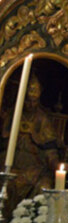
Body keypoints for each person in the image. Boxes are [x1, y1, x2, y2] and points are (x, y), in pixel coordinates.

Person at [0, 75, 62, 205]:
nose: (31, 105)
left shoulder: (42, 119)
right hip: (9, 163)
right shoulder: (12, 114)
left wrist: (56, 164)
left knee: (44, 187)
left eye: (34, 101)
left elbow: (50, 148)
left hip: (35, 166)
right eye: (28, 101)